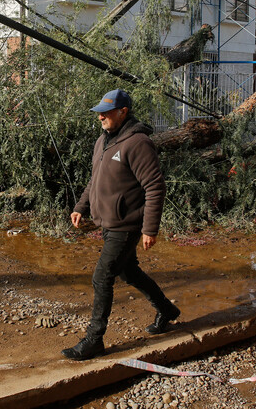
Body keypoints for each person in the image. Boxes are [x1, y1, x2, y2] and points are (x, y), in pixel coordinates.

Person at [62, 89, 181, 361]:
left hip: (126, 225)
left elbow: (154, 187)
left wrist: (150, 229)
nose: (100, 116)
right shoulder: (102, 141)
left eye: (106, 112)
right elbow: (95, 181)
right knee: (129, 272)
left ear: (123, 112)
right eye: (99, 112)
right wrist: (81, 207)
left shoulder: (138, 143)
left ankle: (94, 340)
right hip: (108, 222)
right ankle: (167, 310)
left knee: (102, 276)